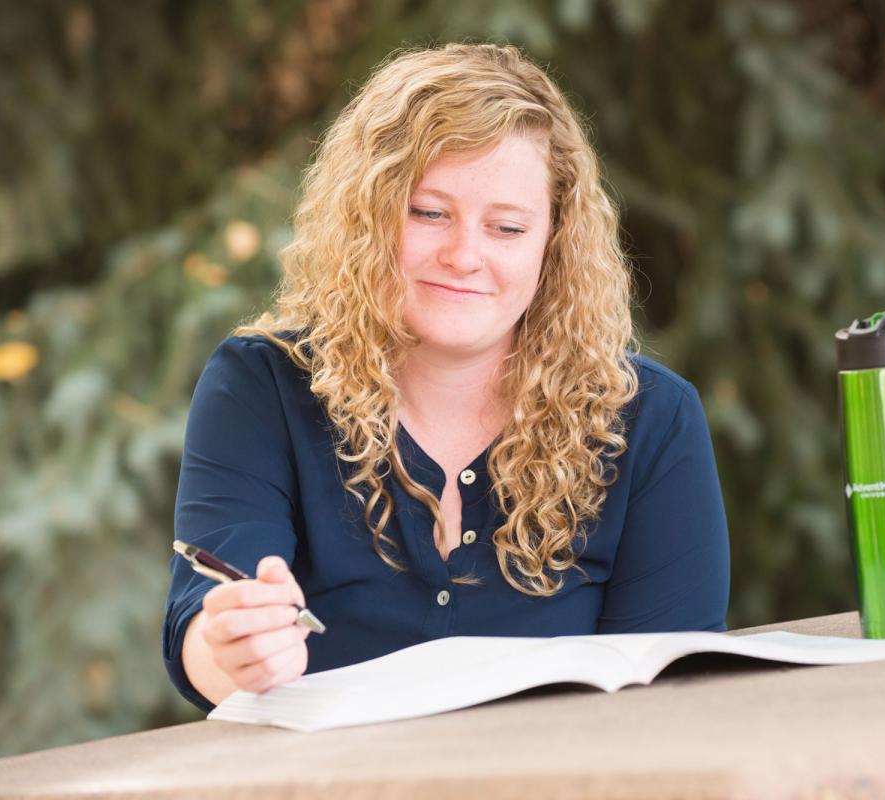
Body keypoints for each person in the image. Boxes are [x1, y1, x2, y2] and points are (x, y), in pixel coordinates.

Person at [163, 42, 730, 711]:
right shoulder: (261, 388)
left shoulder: (649, 422)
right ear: (368, 216)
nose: (465, 255)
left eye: (508, 227)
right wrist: (234, 650)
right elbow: (203, 625)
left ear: (553, 246)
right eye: (429, 213)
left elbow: (673, 706)